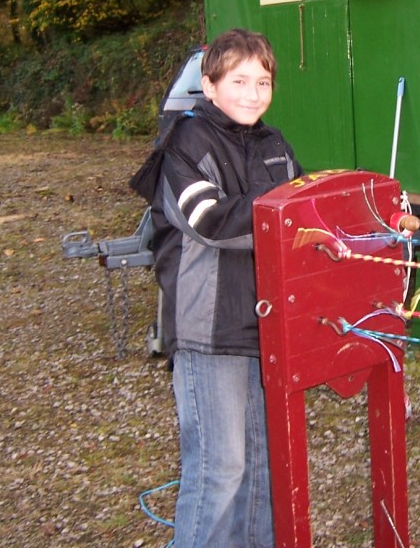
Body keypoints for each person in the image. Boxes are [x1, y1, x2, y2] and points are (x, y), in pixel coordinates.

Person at [155, 29, 301, 548]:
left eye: (263, 81)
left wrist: (373, 221)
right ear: (209, 85)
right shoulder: (183, 144)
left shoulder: (275, 144)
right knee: (220, 469)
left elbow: (306, 211)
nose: (253, 93)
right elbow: (210, 219)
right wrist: (291, 221)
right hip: (208, 330)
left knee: (262, 468)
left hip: (266, 327)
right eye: (239, 80)